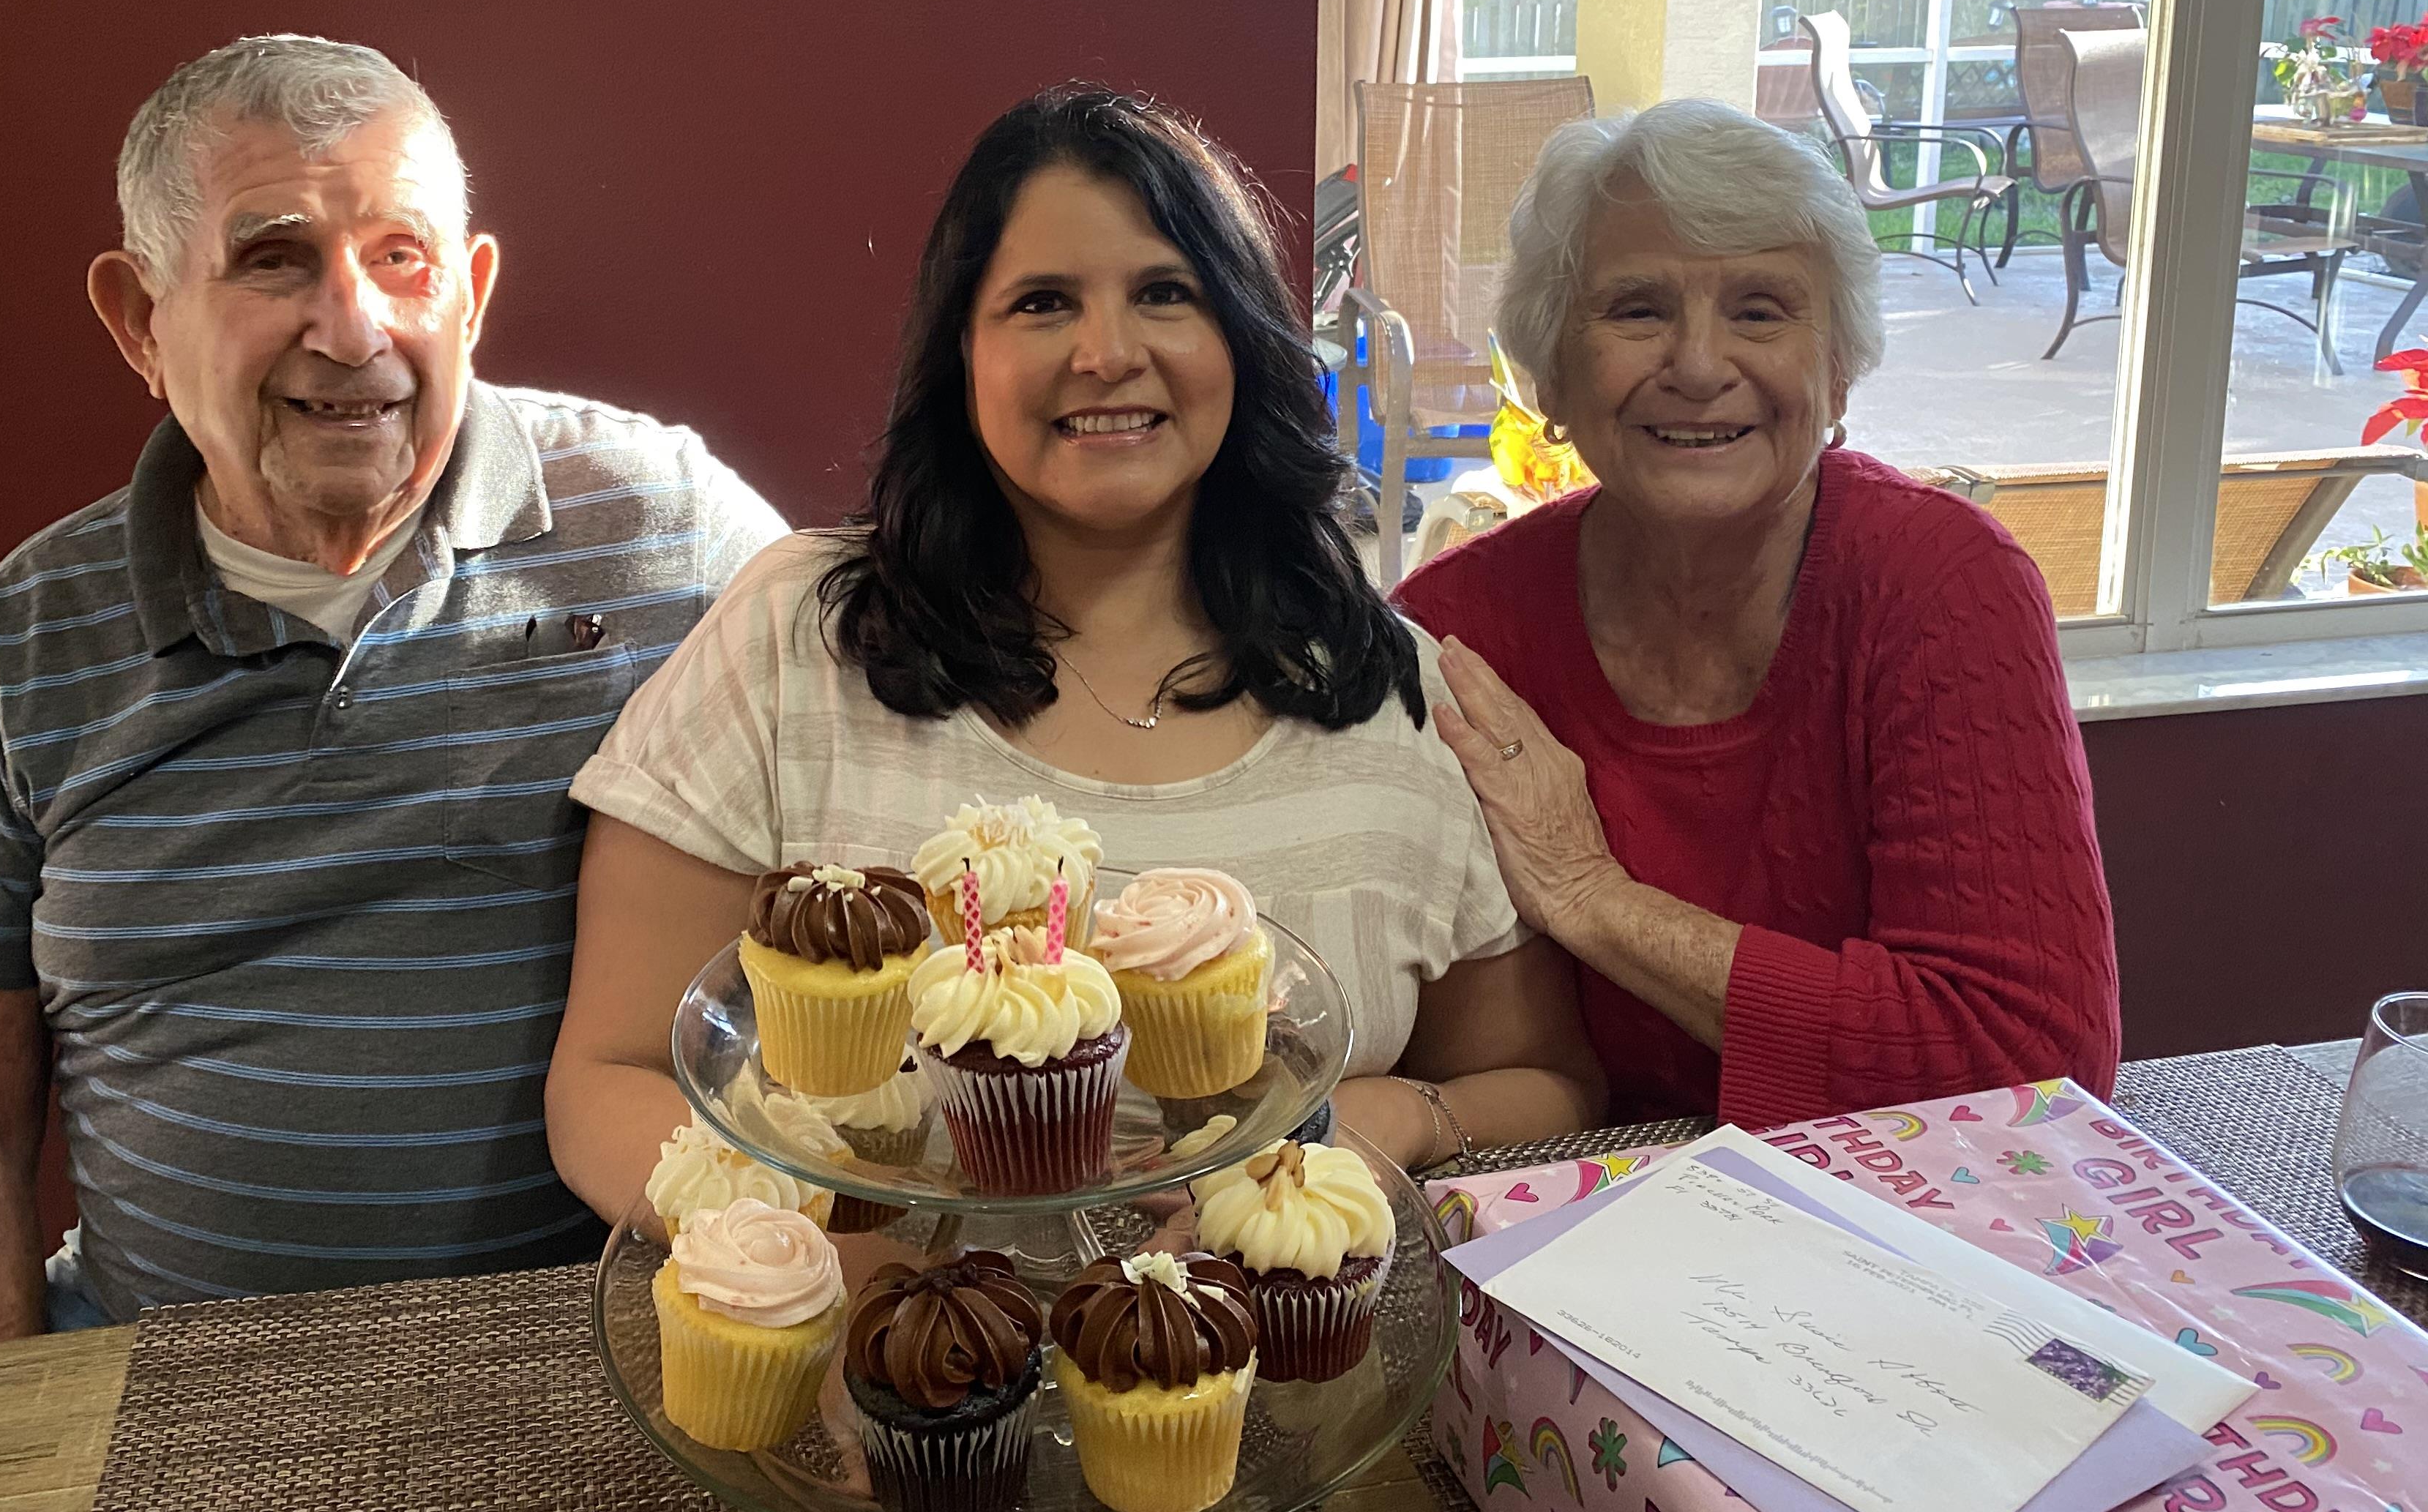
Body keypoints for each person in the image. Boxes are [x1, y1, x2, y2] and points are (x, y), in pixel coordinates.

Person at [546, 86, 1603, 1224]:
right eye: (1044, 304)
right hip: (883, 1384)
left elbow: (1544, 1083)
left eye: (1165, 293)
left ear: (1242, 339)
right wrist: (821, 1268)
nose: (1107, 353)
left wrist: (1402, 1119)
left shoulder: (1395, 691)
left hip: (1284, 1380)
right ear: (962, 354)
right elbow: (609, 1078)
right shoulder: (800, 635)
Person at [0, 34, 784, 1347]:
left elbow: (897, 800)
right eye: (273, 258)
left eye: (400, 259)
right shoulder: (31, 635)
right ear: (139, 321)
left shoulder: (675, 539)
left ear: (470, 294)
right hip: (156, 1375)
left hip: (610, 1364)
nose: (353, 328)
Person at [1394, 98, 2120, 1129]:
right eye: (1636, 309)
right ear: (1552, 370)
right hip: (1564, 1209)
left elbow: (2030, 1065)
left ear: (1837, 368)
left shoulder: (1940, 586)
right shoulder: (1455, 631)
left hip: (1899, 1220)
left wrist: (1595, 896)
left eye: (1762, 309)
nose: (1697, 366)